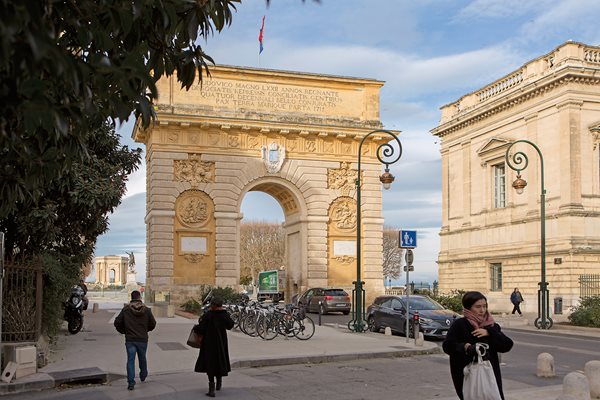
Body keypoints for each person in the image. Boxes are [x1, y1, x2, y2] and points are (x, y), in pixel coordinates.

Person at [442, 291, 513, 400]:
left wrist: (490, 333)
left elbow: (507, 345)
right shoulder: (460, 325)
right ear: (468, 308)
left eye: (484, 306)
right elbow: (447, 346)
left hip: (490, 374)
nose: (482, 310)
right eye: (478, 307)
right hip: (467, 373)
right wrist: (465, 347)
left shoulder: (492, 326)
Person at [114, 290, 156, 391]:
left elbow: (117, 322)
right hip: (142, 339)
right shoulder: (146, 310)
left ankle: (131, 383)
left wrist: (124, 331)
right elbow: (153, 323)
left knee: (130, 360)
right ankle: (143, 374)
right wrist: (146, 330)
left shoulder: (126, 310)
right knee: (142, 358)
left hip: (130, 339)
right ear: (140, 297)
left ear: (131, 298)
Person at [193, 297, 234, 397]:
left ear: (213, 305)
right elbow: (230, 325)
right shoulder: (224, 314)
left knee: (210, 364)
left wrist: (195, 328)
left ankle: (211, 389)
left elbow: (201, 328)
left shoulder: (208, 315)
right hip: (221, 343)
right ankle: (219, 382)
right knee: (219, 361)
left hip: (209, 343)